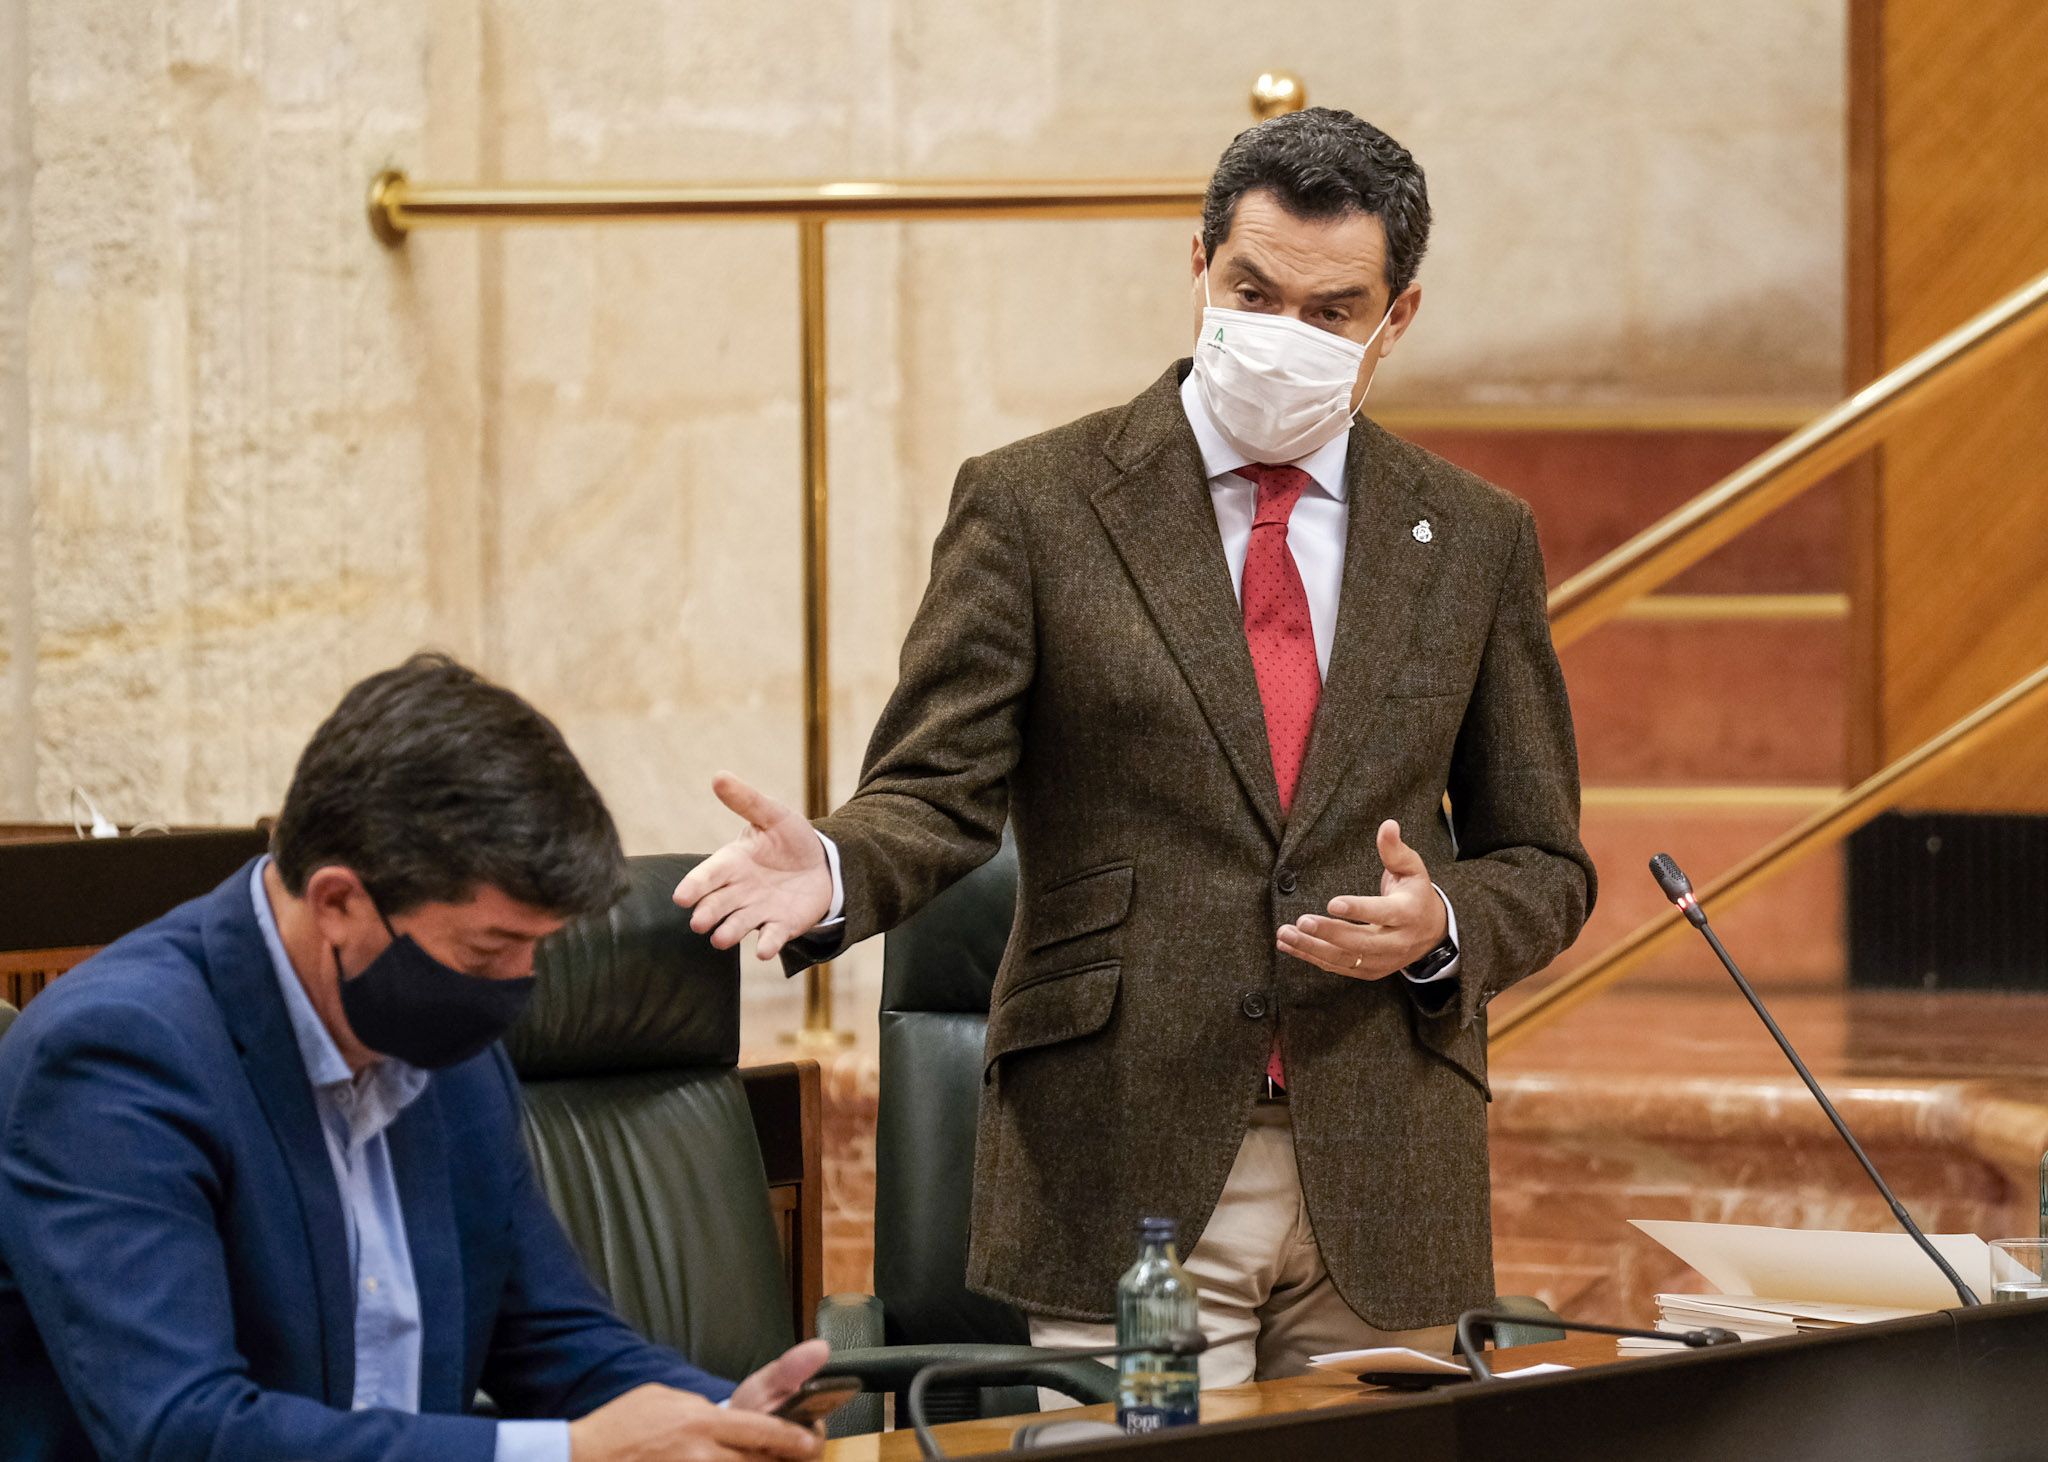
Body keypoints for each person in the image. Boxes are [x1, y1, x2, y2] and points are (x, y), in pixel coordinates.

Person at [677, 108, 1596, 1384]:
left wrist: (1442, 924)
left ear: (1397, 318)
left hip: (1385, 1157)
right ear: (1198, 265)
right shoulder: (1034, 504)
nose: (1282, 332)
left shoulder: (1475, 536)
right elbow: (935, 790)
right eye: (1252, 292)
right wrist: (833, 865)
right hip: (1123, 1154)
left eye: (1329, 311)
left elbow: (1542, 859)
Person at [0, 654, 826, 1462]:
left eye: (535, 950)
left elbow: (556, 1341)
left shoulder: (448, 1052)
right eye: (487, 951)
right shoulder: (116, 1058)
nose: (518, 986)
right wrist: (571, 1453)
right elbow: (185, 1431)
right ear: (338, 901)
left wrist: (722, 1421)